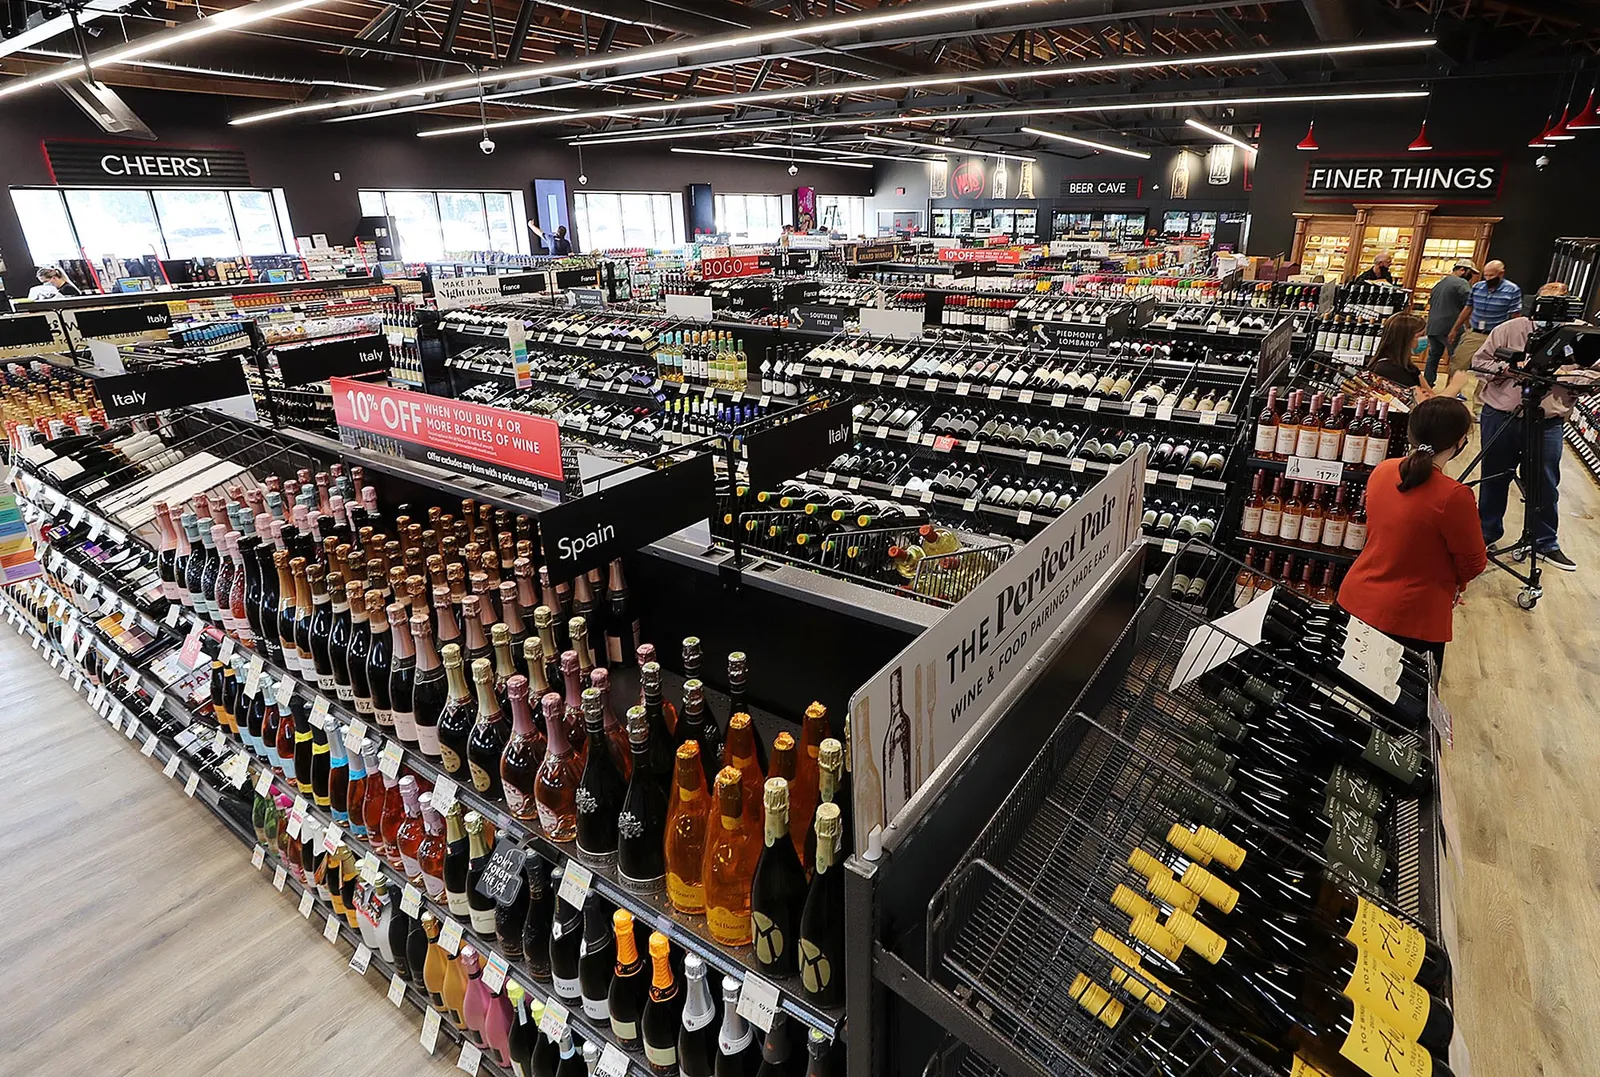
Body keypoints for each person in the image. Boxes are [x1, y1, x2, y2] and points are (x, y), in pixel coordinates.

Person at [1337, 396, 1486, 676]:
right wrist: (1450, 582)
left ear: (1410, 432)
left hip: (1357, 598)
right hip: (1412, 619)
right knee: (1402, 708)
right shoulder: (1454, 496)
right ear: (1460, 442)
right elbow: (1473, 564)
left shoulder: (1382, 471)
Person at [1471, 281, 1589, 571]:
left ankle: (1544, 541)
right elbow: (1479, 362)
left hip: (1547, 421)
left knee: (1545, 481)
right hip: (1502, 414)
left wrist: (1567, 379)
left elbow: (1591, 372)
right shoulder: (1508, 330)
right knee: (1494, 477)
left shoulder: (1581, 334)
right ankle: (1485, 534)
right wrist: (1509, 369)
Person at [1449, 259, 1522, 389]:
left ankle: (1479, 406)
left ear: (1501, 274)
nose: (1488, 278)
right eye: (1486, 275)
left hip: (1496, 336)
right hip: (1475, 333)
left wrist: (1512, 339)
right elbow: (1467, 308)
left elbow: (1515, 316)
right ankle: (1449, 395)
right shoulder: (1478, 287)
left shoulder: (1512, 290)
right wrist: (1454, 329)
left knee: (1488, 371)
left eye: (1491, 276)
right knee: (1458, 364)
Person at [1368, 311, 1471, 403]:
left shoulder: (1409, 367)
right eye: (1419, 336)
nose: (1425, 340)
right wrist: (1454, 387)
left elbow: (1431, 397)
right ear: (1406, 339)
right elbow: (1428, 409)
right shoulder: (1388, 370)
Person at [1424, 261, 1475, 386]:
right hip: (1450, 327)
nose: (1472, 276)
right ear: (1463, 270)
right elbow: (1469, 305)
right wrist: (1469, 325)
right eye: (1471, 272)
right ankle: (1453, 388)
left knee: (1433, 356)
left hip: (1433, 326)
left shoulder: (1440, 283)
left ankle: (1427, 383)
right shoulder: (1462, 283)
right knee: (1457, 358)